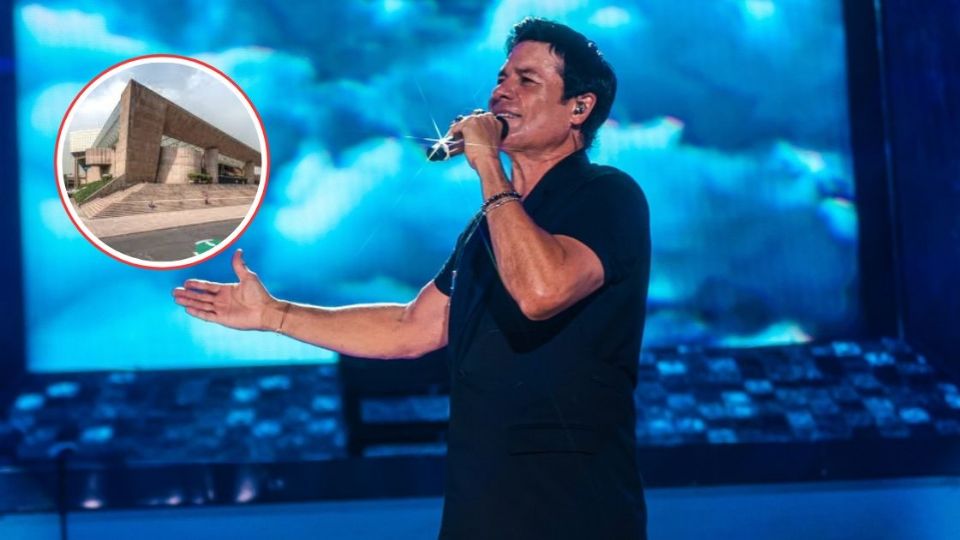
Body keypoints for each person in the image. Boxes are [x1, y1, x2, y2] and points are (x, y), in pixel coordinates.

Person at [174, 17, 650, 540]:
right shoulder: (492, 225)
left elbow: (541, 292)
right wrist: (275, 315)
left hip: (573, 503)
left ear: (579, 107)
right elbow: (410, 327)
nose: (501, 92)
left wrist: (488, 166)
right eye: (502, 77)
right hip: (484, 499)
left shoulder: (608, 195)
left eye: (526, 80)